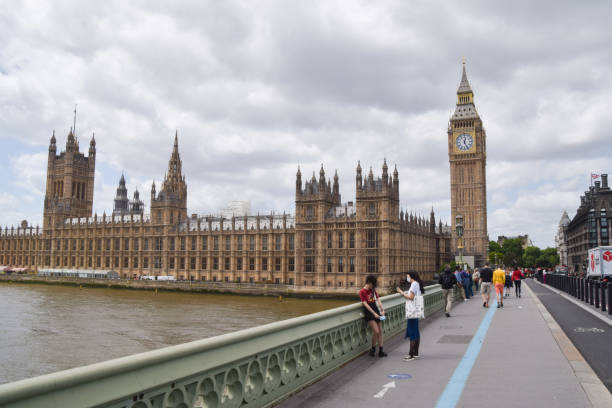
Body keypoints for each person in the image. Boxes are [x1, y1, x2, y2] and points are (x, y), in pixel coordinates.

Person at [397, 271, 425, 361]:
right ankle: (416, 353)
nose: (407, 277)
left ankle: (411, 355)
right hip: (416, 311)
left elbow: (411, 297)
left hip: (412, 312)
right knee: (416, 332)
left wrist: (401, 292)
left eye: (407, 276)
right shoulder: (417, 284)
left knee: (412, 332)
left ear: (411, 276)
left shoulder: (414, 284)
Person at [359, 274, 387, 357]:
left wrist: (382, 309)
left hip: (375, 309)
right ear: (369, 282)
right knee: (376, 331)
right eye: (373, 284)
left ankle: (381, 351)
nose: (373, 286)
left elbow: (378, 300)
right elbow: (365, 304)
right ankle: (373, 349)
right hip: (369, 312)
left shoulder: (373, 290)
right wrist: (373, 314)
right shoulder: (362, 292)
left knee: (380, 331)